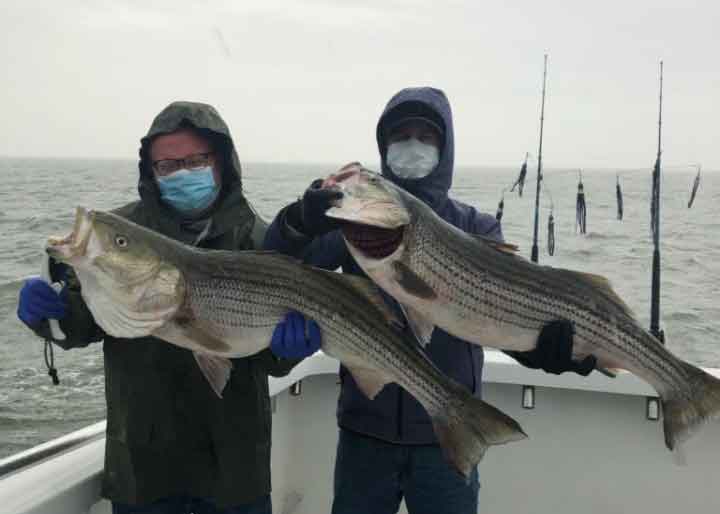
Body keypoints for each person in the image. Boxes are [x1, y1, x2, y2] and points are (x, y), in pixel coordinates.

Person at [264, 87, 596, 514]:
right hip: (366, 429)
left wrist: (545, 351)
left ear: (445, 148)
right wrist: (298, 221)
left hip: (447, 435)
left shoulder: (476, 226)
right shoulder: (352, 225)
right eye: (401, 136)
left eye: (426, 136)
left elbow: (503, 310)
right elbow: (279, 260)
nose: (412, 146)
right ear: (385, 148)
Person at [16, 101, 320, 514]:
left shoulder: (261, 241)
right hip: (144, 468)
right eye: (167, 165)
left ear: (221, 162)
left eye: (195, 160)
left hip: (234, 468)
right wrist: (51, 314)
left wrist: (288, 350)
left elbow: (270, 357)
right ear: (151, 173)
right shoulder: (121, 234)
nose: (182, 173)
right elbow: (81, 323)